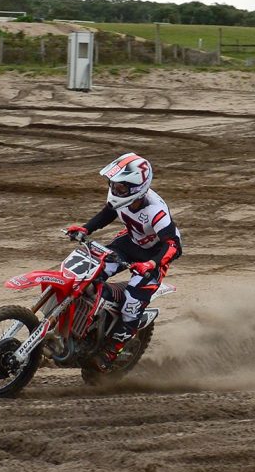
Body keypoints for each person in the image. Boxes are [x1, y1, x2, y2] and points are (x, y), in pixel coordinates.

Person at [66, 153, 182, 370]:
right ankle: (82, 322)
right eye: (113, 184)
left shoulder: (155, 211)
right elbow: (109, 212)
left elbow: (174, 245)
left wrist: (152, 264)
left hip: (154, 256)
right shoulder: (121, 197)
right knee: (88, 273)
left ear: (138, 187)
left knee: (132, 303)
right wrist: (86, 228)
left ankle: (113, 349)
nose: (115, 189)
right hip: (128, 243)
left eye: (121, 187)